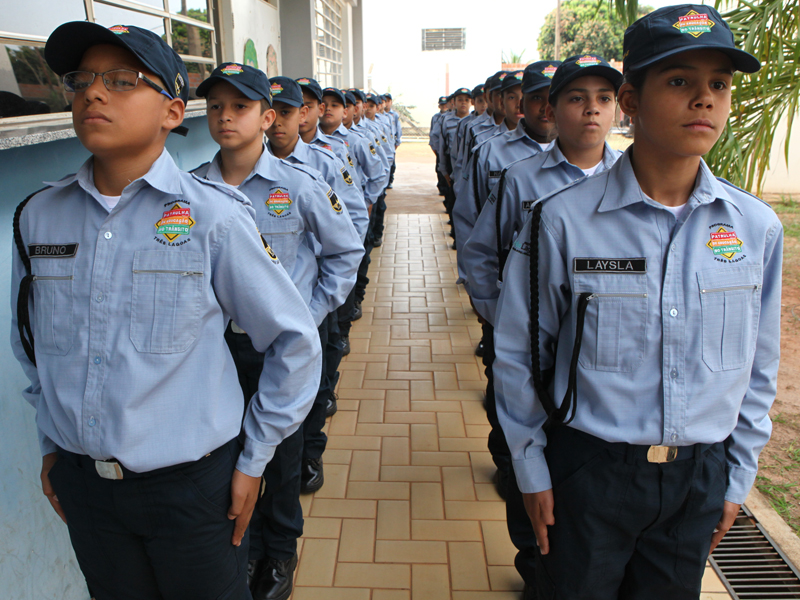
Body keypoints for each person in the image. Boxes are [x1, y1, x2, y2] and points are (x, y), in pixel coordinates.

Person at [10, 22, 322, 600]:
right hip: (87, 488)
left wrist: (254, 458)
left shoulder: (214, 217)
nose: (93, 94)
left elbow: (294, 342)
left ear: (173, 112)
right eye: (81, 80)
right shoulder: (38, 216)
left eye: (123, 80)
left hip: (191, 491)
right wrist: (53, 445)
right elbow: (31, 344)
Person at [494, 6, 779, 598]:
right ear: (631, 98)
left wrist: (736, 476)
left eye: (718, 85)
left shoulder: (756, 229)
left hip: (698, 478)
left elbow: (758, 366)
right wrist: (530, 465)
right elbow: (520, 354)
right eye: (679, 81)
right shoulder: (561, 222)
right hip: (590, 473)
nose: (704, 99)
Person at [191, 63, 363, 600]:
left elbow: (344, 252)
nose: (225, 118)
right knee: (225, 455)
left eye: (239, 107)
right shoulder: (191, 190)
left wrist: (307, 318)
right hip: (218, 350)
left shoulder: (299, 184)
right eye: (216, 106)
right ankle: (240, 547)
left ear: (267, 117)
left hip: (280, 353)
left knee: (282, 458)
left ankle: (277, 553)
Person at [463, 54, 622, 596]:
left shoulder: (631, 181)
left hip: (595, 358)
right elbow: (481, 252)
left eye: (603, 99)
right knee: (521, 451)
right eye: (577, 98)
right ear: (553, 109)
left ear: (618, 109)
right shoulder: (521, 179)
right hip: (529, 346)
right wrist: (499, 317)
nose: (591, 111)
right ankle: (533, 555)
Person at [266, 76, 367, 495]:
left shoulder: (324, 161)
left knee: (315, 389)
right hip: (265, 314)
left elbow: (354, 221)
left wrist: (328, 298)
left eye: (299, 109)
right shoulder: (239, 170)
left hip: (312, 304)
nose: (279, 124)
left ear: (305, 113)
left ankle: (310, 454)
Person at [320, 87, 387, 357]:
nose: (327, 110)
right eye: (322, 104)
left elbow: (377, 172)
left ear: (346, 111)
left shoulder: (355, 140)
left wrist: (368, 203)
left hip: (350, 218)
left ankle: (347, 320)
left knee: (354, 267)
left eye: (334, 105)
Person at [436, 87, 472, 242]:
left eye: (466, 100)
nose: (463, 103)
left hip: (470, 171)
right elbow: (442, 147)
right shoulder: (447, 121)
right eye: (460, 100)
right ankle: (457, 236)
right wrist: (443, 170)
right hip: (453, 169)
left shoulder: (474, 123)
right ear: (454, 102)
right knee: (454, 203)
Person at [430, 95, 450, 196]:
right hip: (438, 148)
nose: (444, 107)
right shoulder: (435, 118)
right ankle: (442, 188)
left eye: (445, 104)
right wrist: (434, 148)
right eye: (442, 105)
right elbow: (433, 133)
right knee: (439, 168)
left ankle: (446, 189)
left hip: (447, 149)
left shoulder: (449, 118)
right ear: (439, 106)